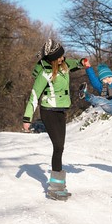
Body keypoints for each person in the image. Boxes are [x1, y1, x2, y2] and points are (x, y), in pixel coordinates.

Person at [22, 39, 84, 201]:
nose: (63, 58)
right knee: (57, 146)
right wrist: (27, 118)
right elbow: (34, 96)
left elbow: (74, 63)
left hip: (61, 112)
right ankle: (55, 187)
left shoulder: (64, 66)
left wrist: (82, 62)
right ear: (53, 59)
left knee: (61, 147)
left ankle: (59, 185)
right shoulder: (44, 74)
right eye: (60, 57)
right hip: (48, 111)